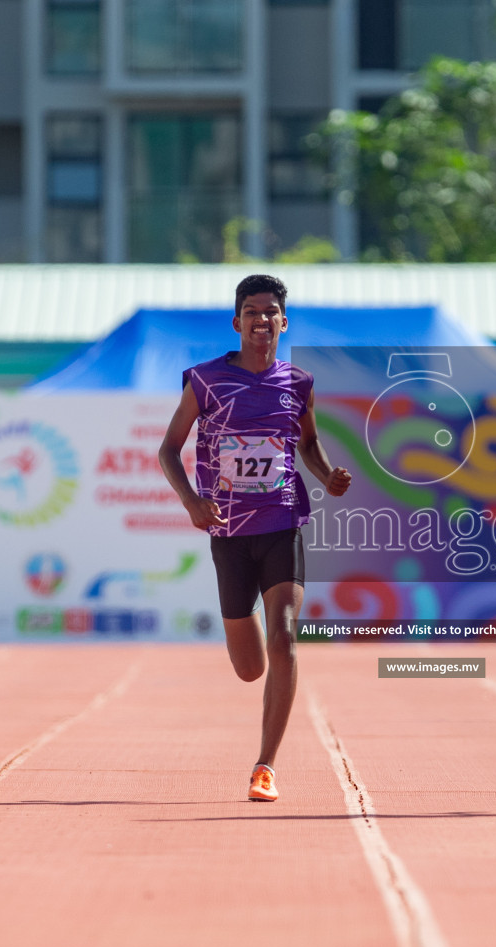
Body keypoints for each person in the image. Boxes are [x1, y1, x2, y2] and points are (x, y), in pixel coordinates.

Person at [158, 275, 351, 802]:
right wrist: (193, 503)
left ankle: (265, 765)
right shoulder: (204, 381)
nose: (262, 319)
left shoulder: (300, 383)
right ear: (237, 323)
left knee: (286, 633)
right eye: (251, 311)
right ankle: (258, 665)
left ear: (283, 323)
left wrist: (328, 473)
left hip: (282, 521)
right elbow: (168, 451)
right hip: (229, 532)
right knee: (249, 668)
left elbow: (309, 446)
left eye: (271, 312)